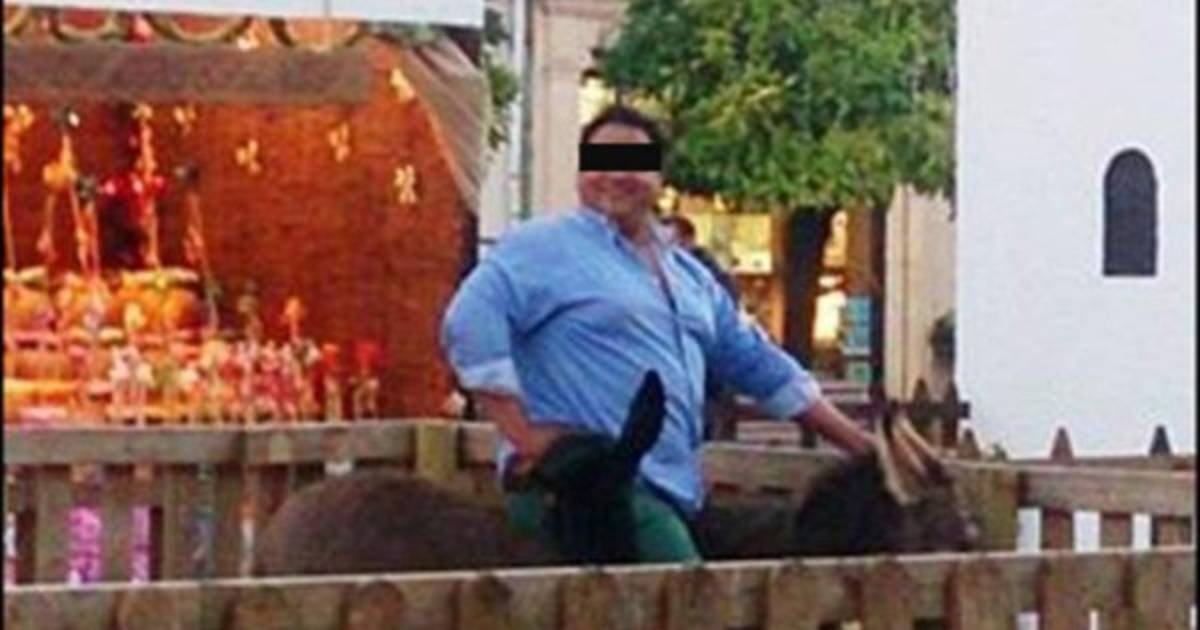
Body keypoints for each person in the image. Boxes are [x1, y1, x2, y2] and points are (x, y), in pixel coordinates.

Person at [440, 104, 876, 563]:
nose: (616, 175)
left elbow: (756, 363)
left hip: (672, 488)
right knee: (693, 593)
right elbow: (468, 321)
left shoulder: (689, 274)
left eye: (633, 163)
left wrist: (863, 447)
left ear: (658, 177)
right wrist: (525, 436)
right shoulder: (543, 246)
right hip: (581, 489)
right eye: (601, 161)